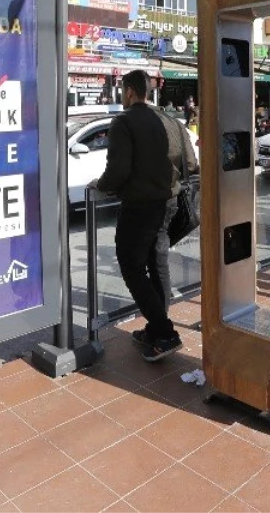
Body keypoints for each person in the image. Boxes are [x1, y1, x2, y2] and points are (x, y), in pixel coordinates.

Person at [94, 70, 197, 361]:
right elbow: (191, 162)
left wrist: (101, 186)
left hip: (140, 207)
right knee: (157, 263)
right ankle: (156, 328)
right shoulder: (171, 121)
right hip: (169, 203)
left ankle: (165, 332)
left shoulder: (124, 122)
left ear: (128, 92)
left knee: (132, 267)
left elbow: (118, 171)